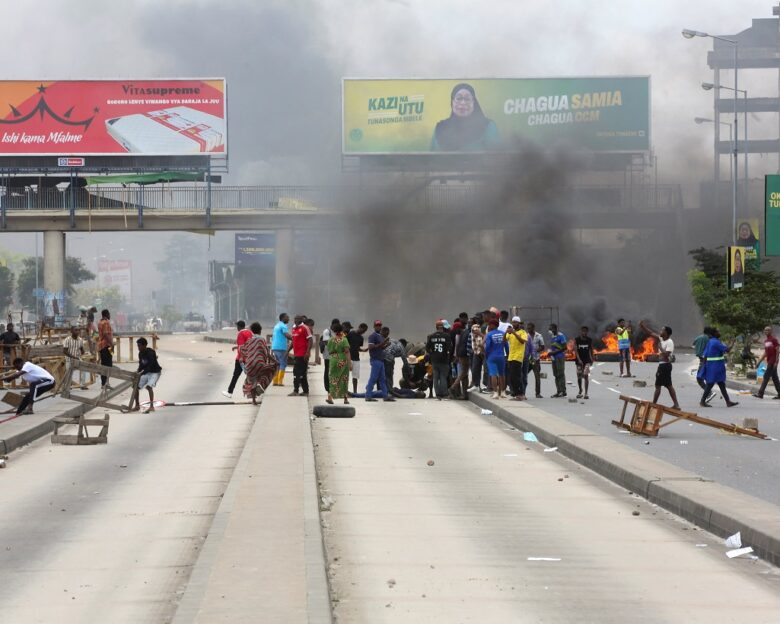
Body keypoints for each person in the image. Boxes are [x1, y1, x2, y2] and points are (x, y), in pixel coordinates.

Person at [430, 83, 500, 151]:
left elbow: (496, 158)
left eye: (467, 99)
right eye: (459, 98)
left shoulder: (488, 127)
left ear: (474, 102)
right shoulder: (440, 128)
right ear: (452, 102)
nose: (463, 103)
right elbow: (431, 159)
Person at [640, 321, 681, 409]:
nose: (660, 331)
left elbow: (667, 354)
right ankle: (676, 405)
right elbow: (650, 333)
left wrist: (660, 348)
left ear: (666, 333)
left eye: (662, 330)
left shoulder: (669, 342)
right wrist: (643, 326)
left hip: (665, 366)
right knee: (668, 385)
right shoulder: (662, 339)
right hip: (663, 365)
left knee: (658, 386)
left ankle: (653, 404)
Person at [697, 327, 738, 408]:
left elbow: (705, 355)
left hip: (712, 366)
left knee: (721, 384)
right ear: (714, 333)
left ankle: (728, 402)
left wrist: (704, 366)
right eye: (718, 331)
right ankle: (702, 401)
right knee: (710, 384)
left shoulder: (710, 342)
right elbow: (727, 350)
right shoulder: (716, 342)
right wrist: (733, 343)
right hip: (716, 366)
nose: (720, 332)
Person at [239, 322, 276, 405]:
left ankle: (253, 400)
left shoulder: (249, 340)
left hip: (250, 364)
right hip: (260, 363)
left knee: (252, 381)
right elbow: (267, 353)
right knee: (271, 369)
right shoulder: (261, 340)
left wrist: (247, 357)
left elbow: (241, 349)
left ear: (252, 330)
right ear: (260, 330)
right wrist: (275, 361)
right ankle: (261, 384)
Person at [129, 337, 163, 413]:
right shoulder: (140, 354)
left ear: (145, 346)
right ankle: (137, 405)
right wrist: (138, 372)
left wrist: (141, 373)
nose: (138, 347)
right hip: (147, 373)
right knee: (135, 386)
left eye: (140, 346)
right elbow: (141, 365)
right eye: (137, 346)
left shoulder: (151, 353)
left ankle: (151, 406)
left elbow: (151, 365)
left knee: (149, 386)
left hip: (155, 372)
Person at [222, 320, 253, 399]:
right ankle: (253, 392)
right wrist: (236, 347)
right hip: (249, 357)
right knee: (250, 375)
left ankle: (229, 392)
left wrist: (241, 357)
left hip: (241, 359)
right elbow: (247, 344)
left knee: (235, 376)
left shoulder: (240, 333)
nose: (237, 328)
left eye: (237, 326)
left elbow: (241, 347)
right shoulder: (249, 332)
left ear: (239, 326)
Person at [365, 321, 393, 402]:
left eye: (380, 325)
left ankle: (385, 396)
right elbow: (370, 347)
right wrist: (383, 343)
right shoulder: (372, 336)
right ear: (374, 326)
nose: (378, 327)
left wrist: (386, 345)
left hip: (381, 360)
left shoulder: (380, 336)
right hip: (375, 360)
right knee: (373, 378)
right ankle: (368, 396)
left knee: (382, 379)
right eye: (377, 325)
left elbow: (380, 348)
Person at [426, 320, 452, 399]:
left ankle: (437, 394)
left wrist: (432, 354)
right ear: (442, 327)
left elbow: (427, 348)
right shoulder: (446, 336)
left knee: (436, 377)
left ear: (436, 327)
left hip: (434, 360)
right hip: (444, 360)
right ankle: (444, 393)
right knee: (443, 377)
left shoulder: (431, 336)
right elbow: (449, 348)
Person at [327, 323, 351, 405]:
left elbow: (329, 351)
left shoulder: (331, 339)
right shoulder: (344, 339)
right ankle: (345, 399)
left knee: (333, 378)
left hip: (333, 360)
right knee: (344, 378)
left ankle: (330, 397)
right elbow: (347, 352)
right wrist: (350, 363)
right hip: (343, 360)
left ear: (333, 331)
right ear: (341, 330)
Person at [753, 326, 780, 399]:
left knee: (766, 377)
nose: (766, 331)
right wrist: (759, 362)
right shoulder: (766, 341)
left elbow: (777, 351)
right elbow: (765, 353)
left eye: (768, 330)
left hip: (773, 361)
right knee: (775, 378)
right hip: (769, 360)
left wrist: (776, 362)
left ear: (771, 331)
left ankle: (760, 393)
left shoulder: (774, 340)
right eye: (765, 330)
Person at [289, 315, 313, 396]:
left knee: (297, 372)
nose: (296, 320)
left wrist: (307, 352)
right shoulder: (293, 328)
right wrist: (287, 351)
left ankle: (296, 390)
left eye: (298, 319)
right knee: (301, 373)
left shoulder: (305, 328)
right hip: (296, 354)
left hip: (303, 354)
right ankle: (305, 391)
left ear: (301, 320)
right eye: (295, 319)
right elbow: (293, 341)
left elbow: (310, 340)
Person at [505, 316, 528, 400]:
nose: (514, 324)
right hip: (511, 356)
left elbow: (522, 341)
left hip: (518, 356)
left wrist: (514, 333)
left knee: (517, 376)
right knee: (511, 376)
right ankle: (515, 393)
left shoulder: (522, 332)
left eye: (515, 322)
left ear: (519, 323)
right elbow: (504, 340)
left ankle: (521, 393)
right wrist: (506, 332)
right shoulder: (510, 332)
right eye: (513, 322)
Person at [484, 319, 508, 399]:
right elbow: (506, 346)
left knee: (493, 374)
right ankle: (503, 392)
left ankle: (495, 392)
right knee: (502, 374)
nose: (489, 326)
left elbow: (487, 347)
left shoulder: (489, 334)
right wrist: (507, 355)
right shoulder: (503, 333)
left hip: (491, 356)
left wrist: (486, 355)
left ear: (493, 325)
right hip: (501, 356)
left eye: (490, 324)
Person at [62, 325, 88, 390]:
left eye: (78, 330)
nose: (77, 331)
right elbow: (65, 351)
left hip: (78, 359)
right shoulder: (67, 340)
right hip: (69, 359)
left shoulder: (80, 340)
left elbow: (82, 349)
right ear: (71, 331)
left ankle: (82, 385)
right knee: (69, 372)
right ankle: (68, 386)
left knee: (83, 369)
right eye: (76, 330)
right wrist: (73, 357)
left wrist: (83, 351)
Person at [381, 326, 405, 391]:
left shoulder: (391, 341)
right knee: (388, 376)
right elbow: (402, 354)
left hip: (384, 361)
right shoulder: (394, 341)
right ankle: (388, 390)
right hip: (387, 361)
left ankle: (384, 390)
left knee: (384, 376)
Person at [271, 313, 292, 386]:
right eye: (287, 317)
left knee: (277, 364)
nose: (288, 319)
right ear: (283, 318)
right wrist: (295, 338)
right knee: (283, 363)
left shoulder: (276, 325)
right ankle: (280, 381)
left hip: (275, 347)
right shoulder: (283, 326)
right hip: (281, 347)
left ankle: (275, 381)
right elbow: (287, 335)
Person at [347, 322, 368, 395]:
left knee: (355, 376)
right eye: (363, 330)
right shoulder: (350, 334)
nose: (363, 332)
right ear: (359, 327)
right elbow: (346, 345)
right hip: (348, 357)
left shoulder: (361, 338)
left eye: (364, 331)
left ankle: (355, 392)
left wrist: (363, 350)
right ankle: (345, 391)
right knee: (345, 375)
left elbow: (358, 348)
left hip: (356, 358)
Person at [320, 318, 340, 392]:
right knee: (328, 370)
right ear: (332, 325)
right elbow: (326, 342)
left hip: (335, 354)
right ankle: (327, 387)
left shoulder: (337, 331)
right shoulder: (327, 331)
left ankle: (334, 386)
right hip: (327, 354)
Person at [548, 323, 568, 398]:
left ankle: (563, 391)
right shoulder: (553, 337)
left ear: (555, 329)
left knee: (560, 374)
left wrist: (554, 352)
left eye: (550, 329)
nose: (549, 330)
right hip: (554, 358)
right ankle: (558, 391)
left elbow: (564, 347)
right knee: (556, 374)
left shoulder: (561, 336)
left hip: (560, 357)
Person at [574, 326, 594, 399]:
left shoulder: (589, 340)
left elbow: (591, 349)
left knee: (585, 375)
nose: (584, 333)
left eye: (585, 331)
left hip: (587, 360)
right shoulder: (577, 340)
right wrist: (579, 359)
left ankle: (586, 393)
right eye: (583, 331)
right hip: (579, 360)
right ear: (581, 331)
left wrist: (592, 358)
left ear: (587, 332)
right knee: (579, 376)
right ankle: (580, 390)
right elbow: (576, 351)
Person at [527, 322, 545, 399]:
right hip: (527, 359)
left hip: (535, 359)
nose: (528, 329)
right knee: (523, 375)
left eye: (530, 328)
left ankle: (538, 393)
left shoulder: (538, 336)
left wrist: (536, 350)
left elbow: (542, 346)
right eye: (528, 328)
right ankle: (521, 392)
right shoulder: (525, 335)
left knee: (537, 376)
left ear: (533, 328)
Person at [97, 309, 114, 390]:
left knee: (104, 365)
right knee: (108, 365)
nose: (110, 315)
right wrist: (112, 344)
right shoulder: (106, 322)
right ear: (106, 314)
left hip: (101, 346)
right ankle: (105, 383)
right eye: (109, 313)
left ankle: (104, 383)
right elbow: (106, 334)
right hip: (106, 346)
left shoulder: (100, 322)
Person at [469, 323, 485, 393]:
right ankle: (476, 385)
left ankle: (484, 386)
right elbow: (474, 338)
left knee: (485, 369)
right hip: (476, 351)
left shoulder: (485, 327)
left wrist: (480, 333)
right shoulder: (475, 326)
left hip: (484, 351)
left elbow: (485, 338)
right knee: (475, 369)